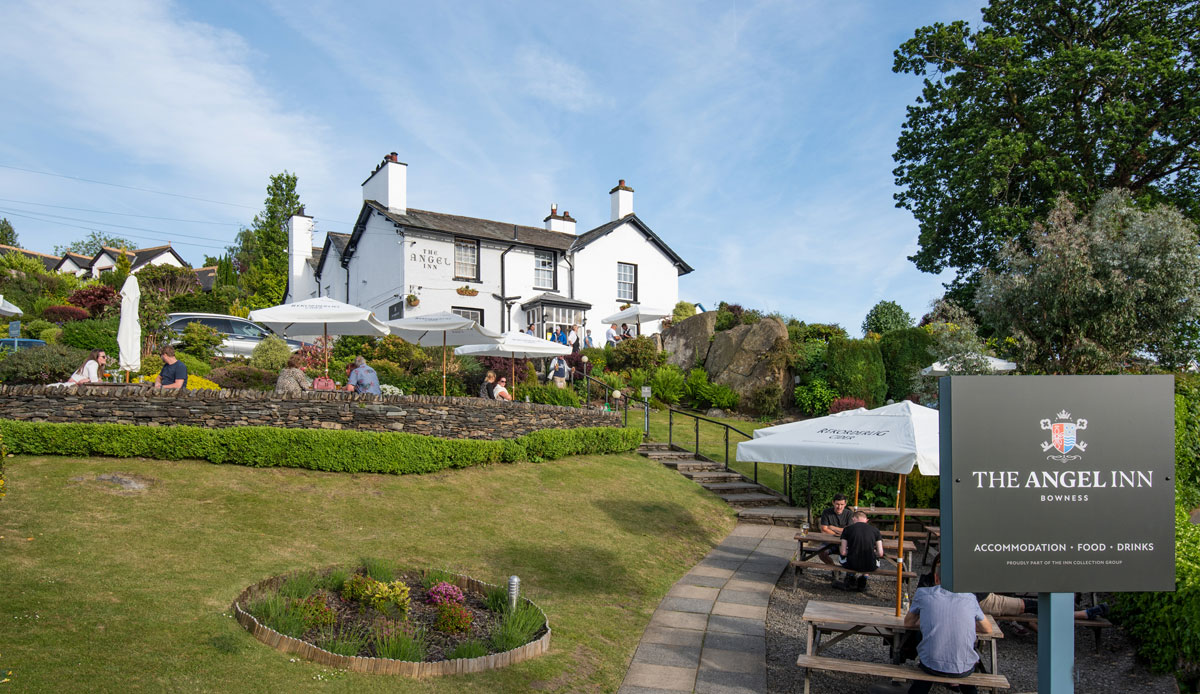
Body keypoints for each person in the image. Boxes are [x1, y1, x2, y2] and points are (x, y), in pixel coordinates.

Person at [891, 563, 993, 694]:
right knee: (965, 677)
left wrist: (928, 621)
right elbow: (988, 629)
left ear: (936, 577)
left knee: (927, 668)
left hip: (931, 664)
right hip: (963, 666)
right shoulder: (970, 598)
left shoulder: (923, 594)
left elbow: (908, 623)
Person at [838, 511, 884, 591]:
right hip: (870, 566)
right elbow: (880, 553)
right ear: (866, 520)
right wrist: (872, 552)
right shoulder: (875, 530)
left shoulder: (847, 529)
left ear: (853, 519)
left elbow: (843, 552)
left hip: (851, 565)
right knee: (871, 558)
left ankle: (851, 576)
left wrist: (853, 551)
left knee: (842, 557)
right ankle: (864, 578)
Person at [817, 494, 853, 569]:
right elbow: (824, 529)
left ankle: (849, 573)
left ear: (845, 504)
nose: (839, 507)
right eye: (837, 504)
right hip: (830, 541)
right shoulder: (826, 512)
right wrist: (842, 532)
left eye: (842, 504)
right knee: (821, 552)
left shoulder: (849, 513)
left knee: (852, 553)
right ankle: (834, 569)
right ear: (833, 502)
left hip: (845, 542)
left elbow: (849, 530)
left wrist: (832, 527)